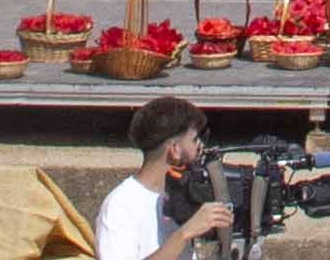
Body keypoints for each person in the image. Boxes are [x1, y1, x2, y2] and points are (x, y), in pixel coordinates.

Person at [96, 98, 231, 260]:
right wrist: (184, 233)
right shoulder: (120, 205)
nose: (200, 147)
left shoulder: (187, 195)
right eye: (194, 140)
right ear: (175, 150)